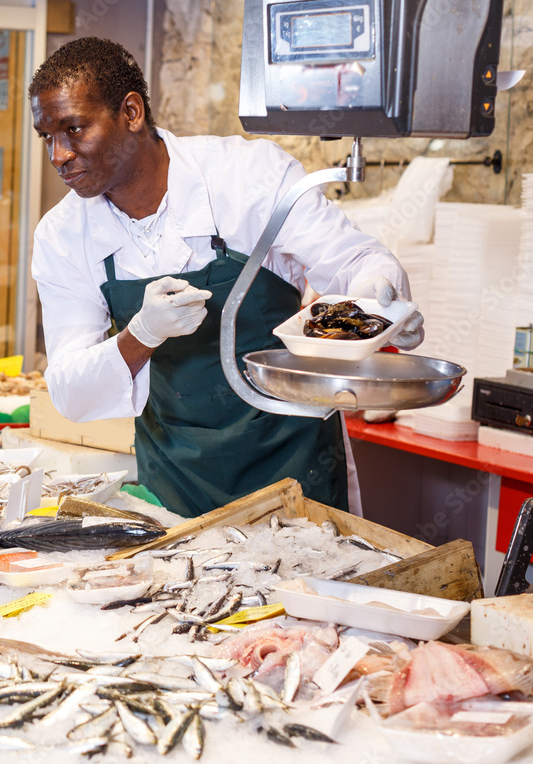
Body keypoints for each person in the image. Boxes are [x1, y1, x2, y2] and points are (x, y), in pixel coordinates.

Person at [29, 37, 424, 517]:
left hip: (294, 466)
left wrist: (378, 301)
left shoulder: (248, 177)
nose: (58, 155)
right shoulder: (62, 235)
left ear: (131, 113)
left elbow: (358, 259)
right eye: (46, 137)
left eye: (74, 129)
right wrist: (141, 335)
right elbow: (69, 390)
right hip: (175, 476)